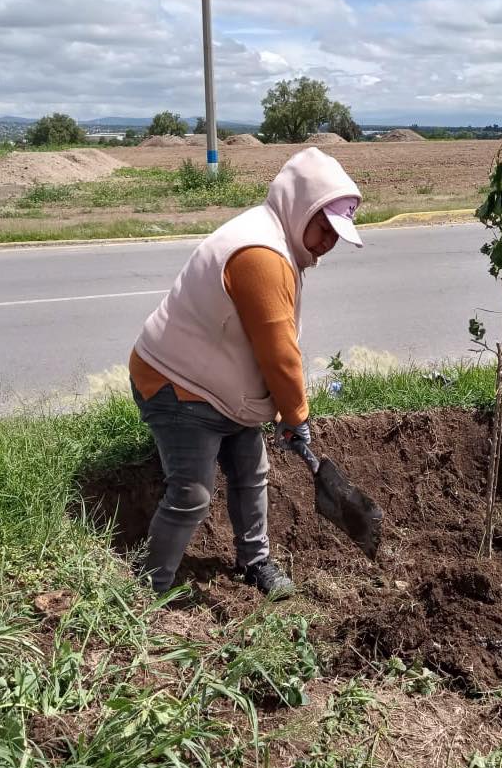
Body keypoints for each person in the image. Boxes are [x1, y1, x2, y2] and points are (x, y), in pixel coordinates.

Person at [129, 146, 363, 597]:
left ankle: (255, 562)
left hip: (224, 391)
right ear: (300, 209)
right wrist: (295, 415)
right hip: (179, 384)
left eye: (337, 233)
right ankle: (146, 590)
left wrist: (278, 410)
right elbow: (279, 353)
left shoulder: (278, 240)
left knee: (251, 473)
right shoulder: (261, 253)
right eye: (325, 227)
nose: (329, 242)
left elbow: (265, 346)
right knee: (192, 494)